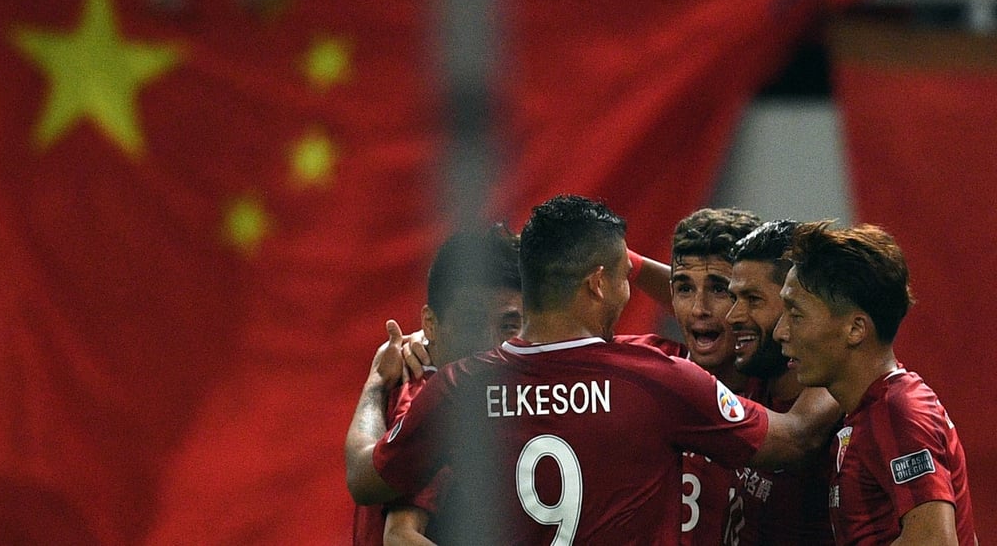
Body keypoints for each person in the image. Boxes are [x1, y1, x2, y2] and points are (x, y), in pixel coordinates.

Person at [347, 194, 836, 544]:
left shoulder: (460, 385)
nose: (702, 308)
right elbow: (795, 438)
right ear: (600, 283)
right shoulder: (656, 377)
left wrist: (374, 385)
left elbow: (365, 477)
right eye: (622, 276)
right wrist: (857, 353)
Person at [773, 221, 977, 544]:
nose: (780, 332)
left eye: (796, 315)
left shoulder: (899, 411)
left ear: (855, 329)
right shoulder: (866, 413)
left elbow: (935, 542)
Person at [352, 225, 523, 546]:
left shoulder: (499, 394)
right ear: (430, 323)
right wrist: (376, 382)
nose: (491, 345)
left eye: (509, 326)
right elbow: (400, 537)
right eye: (471, 324)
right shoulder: (428, 397)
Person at [722, 220, 833, 545]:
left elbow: (797, 438)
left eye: (753, 299)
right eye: (734, 298)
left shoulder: (843, 395)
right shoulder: (755, 374)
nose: (732, 316)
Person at [668, 207, 761, 544]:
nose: (699, 309)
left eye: (719, 289)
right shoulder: (644, 378)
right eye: (684, 288)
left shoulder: (788, 392)